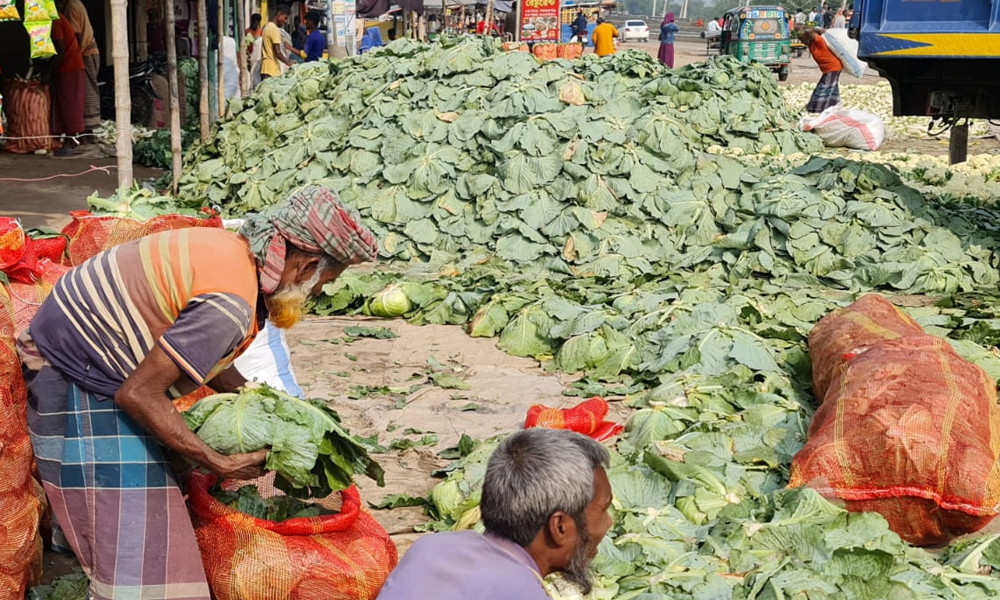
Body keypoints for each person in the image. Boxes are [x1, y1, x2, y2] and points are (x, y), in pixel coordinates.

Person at [21, 186, 378, 600]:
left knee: (160, 497)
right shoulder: (228, 303)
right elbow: (138, 395)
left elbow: (209, 361)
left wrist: (265, 403)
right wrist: (216, 461)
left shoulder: (232, 252)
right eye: (323, 282)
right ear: (306, 266)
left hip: (87, 360)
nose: (317, 293)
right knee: (148, 562)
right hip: (75, 377)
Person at [376, 429, 613, 600]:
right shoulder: (522, 592)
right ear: (559, 527)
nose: (608, 523)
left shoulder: (430, 546)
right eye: (603, 510)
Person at [50, 7, 85, 154]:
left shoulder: (55, 20)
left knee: (69, 104)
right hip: (67, 66)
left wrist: (49, 70)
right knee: (64, 103)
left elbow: (60, 48)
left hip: (70, 66)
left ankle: (70, 141)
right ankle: (65, 138)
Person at [60, 0, 99, 136]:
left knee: (86, 91)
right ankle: (87, 130)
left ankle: (88, 130)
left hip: (85, 52)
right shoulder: (76, 3)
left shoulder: (71, 6)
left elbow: (76, 34)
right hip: (89, 50)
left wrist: (72, 54)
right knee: (87, 90)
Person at [801, 27, 842, 113]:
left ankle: (819, 108)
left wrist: (813, 30)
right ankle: (833, 105)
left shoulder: (818, 41)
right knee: (831, 87)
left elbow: (814, 32)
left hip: (833, 67)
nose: (802, 42)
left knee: (824, 87)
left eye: (803, 39)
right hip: (827, 68)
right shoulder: (811, 45)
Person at [261, 5, 294, 80]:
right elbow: (278, 52)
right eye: (285, 18)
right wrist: (288, 63)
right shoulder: (275, 30)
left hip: (265, 68)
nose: (285, 21)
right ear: (279, 14)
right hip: (272, 71)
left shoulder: (267, 26)